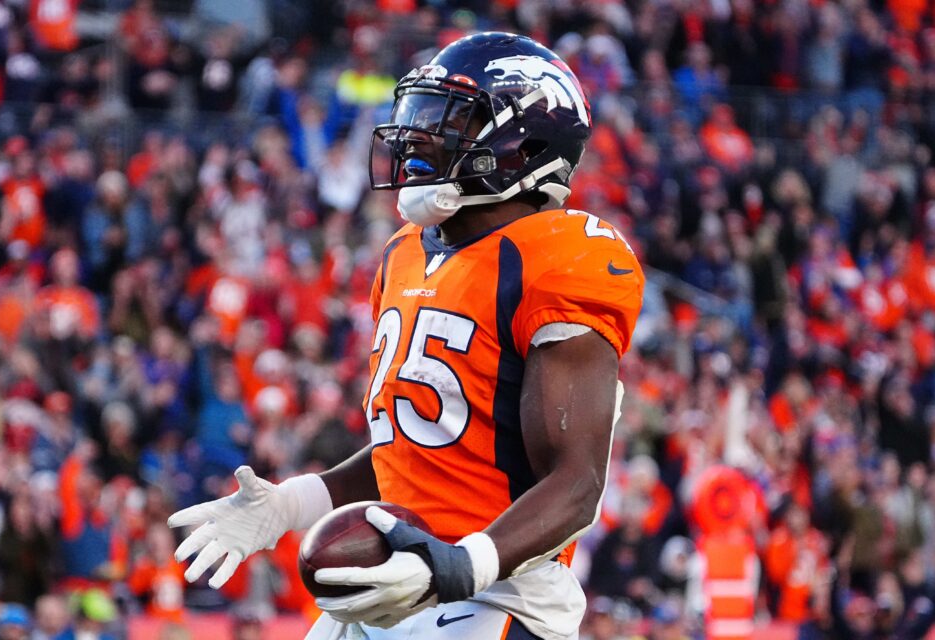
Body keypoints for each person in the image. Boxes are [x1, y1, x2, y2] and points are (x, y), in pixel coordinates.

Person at [168, 32, 644, 640]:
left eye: (450, 120)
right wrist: (291, 504)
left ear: (520, 144)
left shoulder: (557, 260)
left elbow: (576, 483)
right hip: (399, 578)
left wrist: (457, 566)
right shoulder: (405, 254)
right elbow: (415, 455)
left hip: (495, 596)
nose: (417, 138)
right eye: (418, 117)